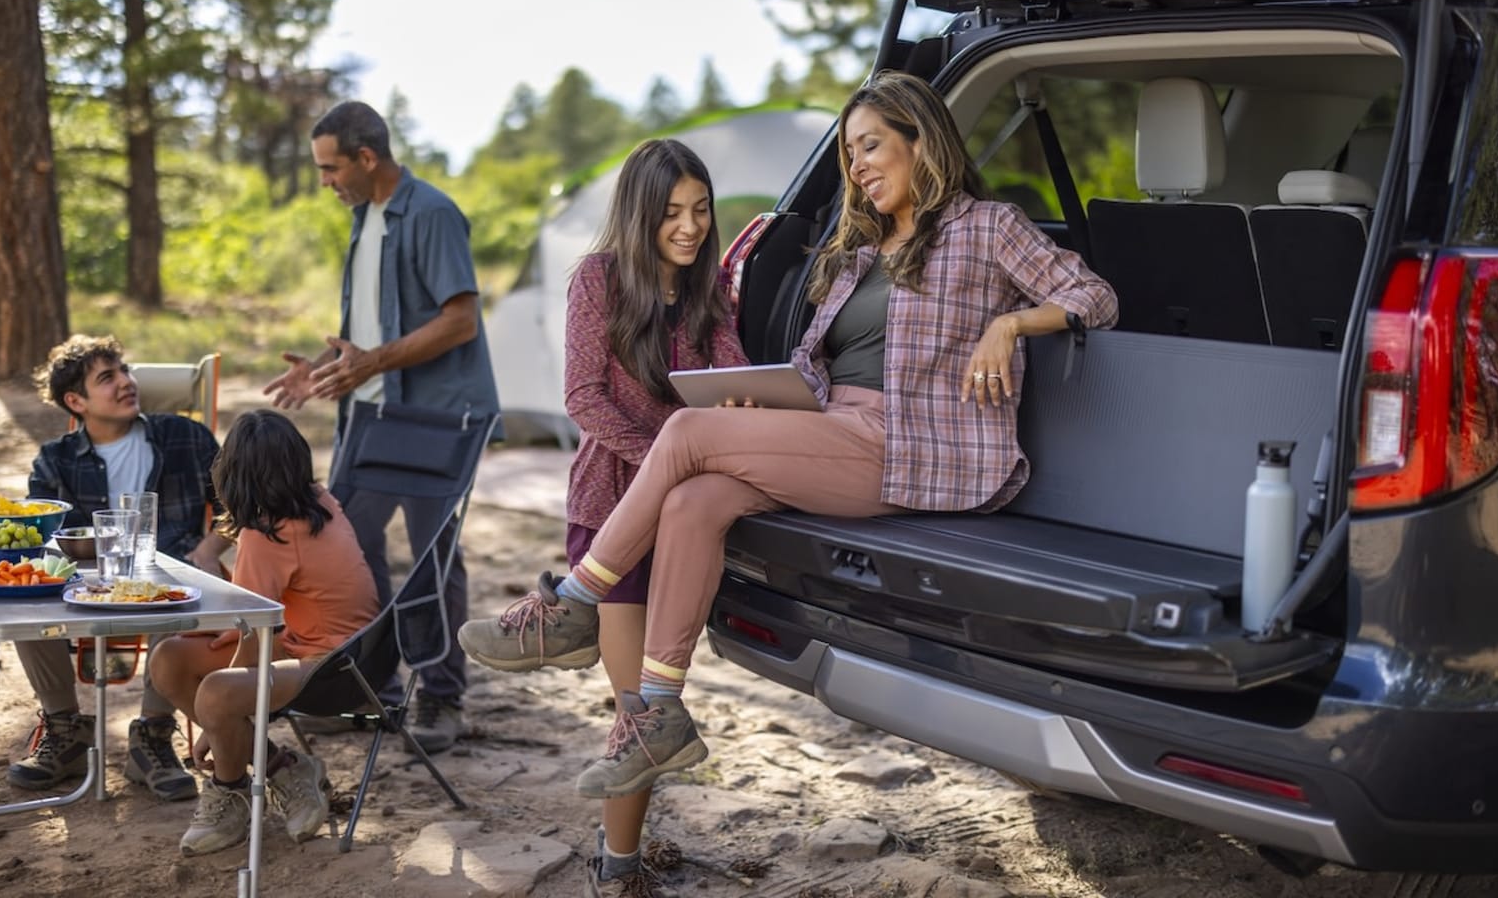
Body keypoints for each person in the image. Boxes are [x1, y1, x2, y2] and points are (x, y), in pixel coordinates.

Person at [458, 70, 1119, 798]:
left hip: (911, 447)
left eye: (871, 146)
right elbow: (817, 368)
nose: (859, 166)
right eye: (850, 155)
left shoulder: (987, 227)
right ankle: (661, 710)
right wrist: (763, 403)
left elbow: (1093, 295)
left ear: (920, 141)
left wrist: (1011, 323)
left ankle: (574, 604)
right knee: (695, 501)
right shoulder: (861, 252)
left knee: (684, 432)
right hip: (837, 431)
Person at [263, 100, 500, 754]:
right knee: (346, 549)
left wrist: (373, 361)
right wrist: (321, 367)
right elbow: (373, 330)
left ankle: (441, 695)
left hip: (436, 419)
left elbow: (459, 322)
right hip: (370, 412)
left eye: (330, 168)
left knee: (431, 559)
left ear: (368, 158)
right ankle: (373, 692)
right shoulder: (364, 217)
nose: (324, 181)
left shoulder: (432, 213)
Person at [545, 140, 748, 894]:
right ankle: (617, 870)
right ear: (640, 214)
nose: (690, 228)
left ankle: (620, 860)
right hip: (610, 518)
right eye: (671, 214)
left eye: (699, 211)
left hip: (692, 522)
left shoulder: (709, 292)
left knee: (663, 705)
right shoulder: (598, 281)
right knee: (638, 715)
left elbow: (731, 380)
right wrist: (668, 457)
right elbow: (582, 398)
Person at [149, 409, 379, 856]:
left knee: (215, 693)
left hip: (330, 670)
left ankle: (228, 790)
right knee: (168, 659)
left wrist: (211, 723)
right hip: (359, 654)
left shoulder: (265, 535)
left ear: (233, 475)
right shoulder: (318, 500)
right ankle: (283, 767)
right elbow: (259, 625)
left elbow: (253, 638)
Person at [12, 334, 229, 801]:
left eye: (125, 371)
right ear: (76, 401)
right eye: (107, 378)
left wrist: (210, 549)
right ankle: (65, 729)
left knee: (176, 592)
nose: (126, 383)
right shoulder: (56, 459)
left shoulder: (185, 437)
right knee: (25, 594)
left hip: (175, 569)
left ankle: (152, 735)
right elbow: (49, 539)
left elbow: (238, 505)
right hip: (87, 581)